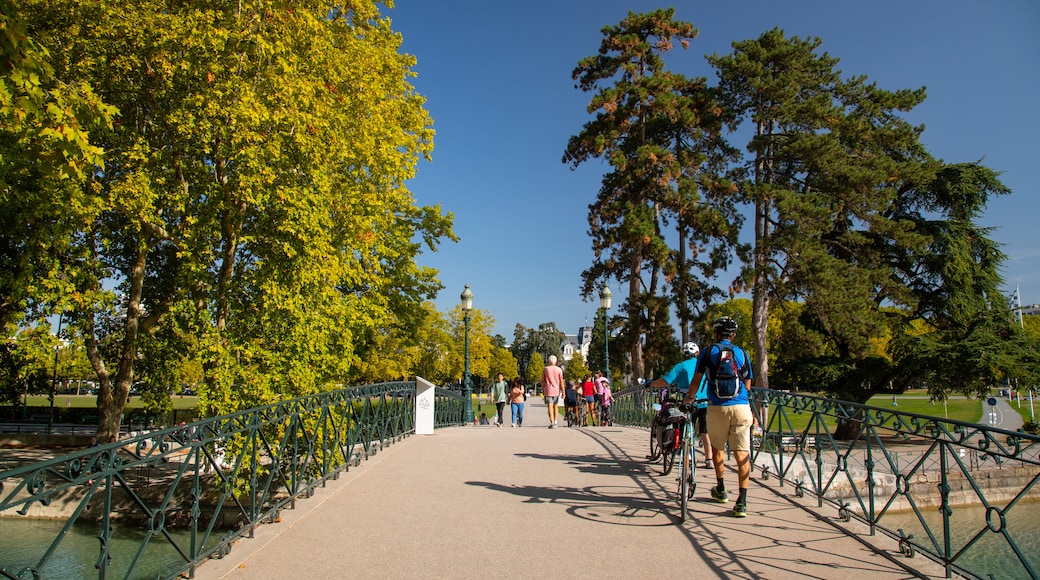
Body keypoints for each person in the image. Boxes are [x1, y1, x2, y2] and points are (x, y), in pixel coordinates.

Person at [682, 317, 757, 518]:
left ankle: (721, 488)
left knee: (717, 449)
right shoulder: (742, 353)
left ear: (716, 334)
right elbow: (748, 383)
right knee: (742, 453)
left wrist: (689, 399)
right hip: (741, 407)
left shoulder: (708, 352)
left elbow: (696, 381)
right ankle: (742, 501)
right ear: (733, 335)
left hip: (717, 407)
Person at [652, 342, 712, 469]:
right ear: (697, 353)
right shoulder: (704, 366)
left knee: (684, 427)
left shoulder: (680, 367)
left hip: (688, 401)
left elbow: (665, 381)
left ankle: (687, 456)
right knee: (704, 431)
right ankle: (709, 459)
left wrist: (651, 384)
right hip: (705, 402)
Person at [541, 355, 564, 428]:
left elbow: (543, 380)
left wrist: (543, 389)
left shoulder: (545, 369)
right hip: (556, 390)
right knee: (556, 406)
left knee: (550, 407)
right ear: (556, 361)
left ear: (548, 361)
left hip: (548, 390)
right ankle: (556, 422)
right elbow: (561, 381)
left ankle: (551, 422)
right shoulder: (559, 370)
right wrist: (563, 391)